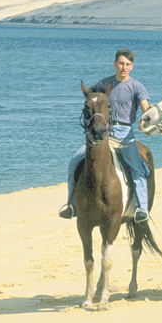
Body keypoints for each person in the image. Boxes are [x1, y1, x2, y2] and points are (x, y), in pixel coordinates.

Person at [59, 49, 152, 223]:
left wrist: (149, 115)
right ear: (115, 64)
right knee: (74, 162)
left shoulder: (136, 86)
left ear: (132, 67)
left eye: (127, 64)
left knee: (137, 169)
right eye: (121, 63)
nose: (123, 67)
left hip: (124, 134)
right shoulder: (104, 84)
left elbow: (145, 107)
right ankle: (71, 205)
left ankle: (142, 209)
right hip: (102, 133)